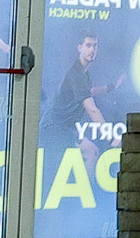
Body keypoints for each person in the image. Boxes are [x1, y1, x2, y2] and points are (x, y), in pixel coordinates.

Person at [42, 33, 125, 177]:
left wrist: (111, 87)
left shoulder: (82, 72)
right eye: (88, 45)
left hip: (64, 128)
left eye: (95, 46)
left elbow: (89, 91)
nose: (92, 50)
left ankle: (86, 190)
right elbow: (92, 110)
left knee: (90, 152)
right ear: (80, 48)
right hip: (55, 128)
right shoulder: (77, 74)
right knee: (91, 152)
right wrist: (111, 137)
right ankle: (89, 192)